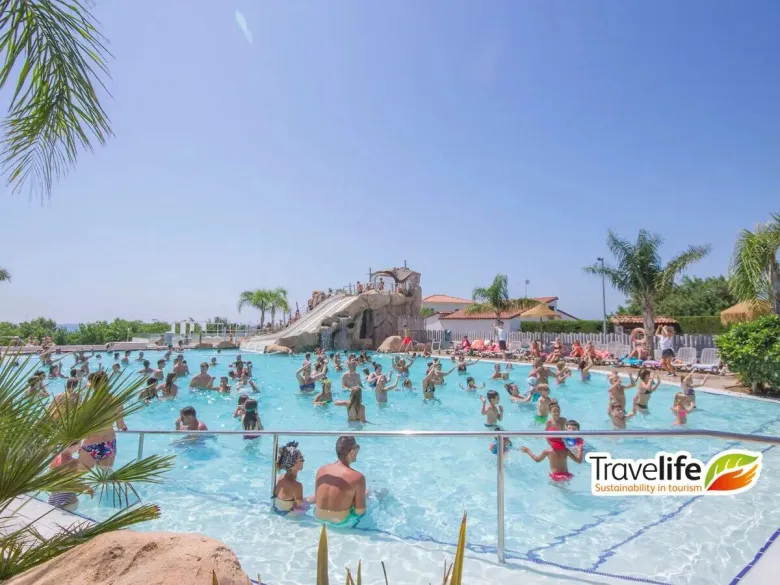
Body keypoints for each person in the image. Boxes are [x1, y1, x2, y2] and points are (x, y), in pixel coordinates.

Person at [314, 436, 367, 524]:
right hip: (340, 522)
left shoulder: (321, 470)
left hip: (318, 517)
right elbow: (359, 511)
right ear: (352, 451)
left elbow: (318, 499)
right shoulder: (358, 477)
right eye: (357, 447)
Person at [80, 371, 127, 468]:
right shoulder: (117, 402)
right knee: (104, 478)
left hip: (91, 441)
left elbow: (81, 425)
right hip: (108, 442)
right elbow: (120, 425)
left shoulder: (88, 403)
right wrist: (124, 427)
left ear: (92, 385)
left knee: (80, 476)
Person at [273, 441, 308, 514]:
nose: (304, 461)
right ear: (292, 465)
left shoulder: (281, 477)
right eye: (301, 459)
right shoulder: (297, 486)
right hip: (288, 515)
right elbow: (300, 506)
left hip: (278, 511)